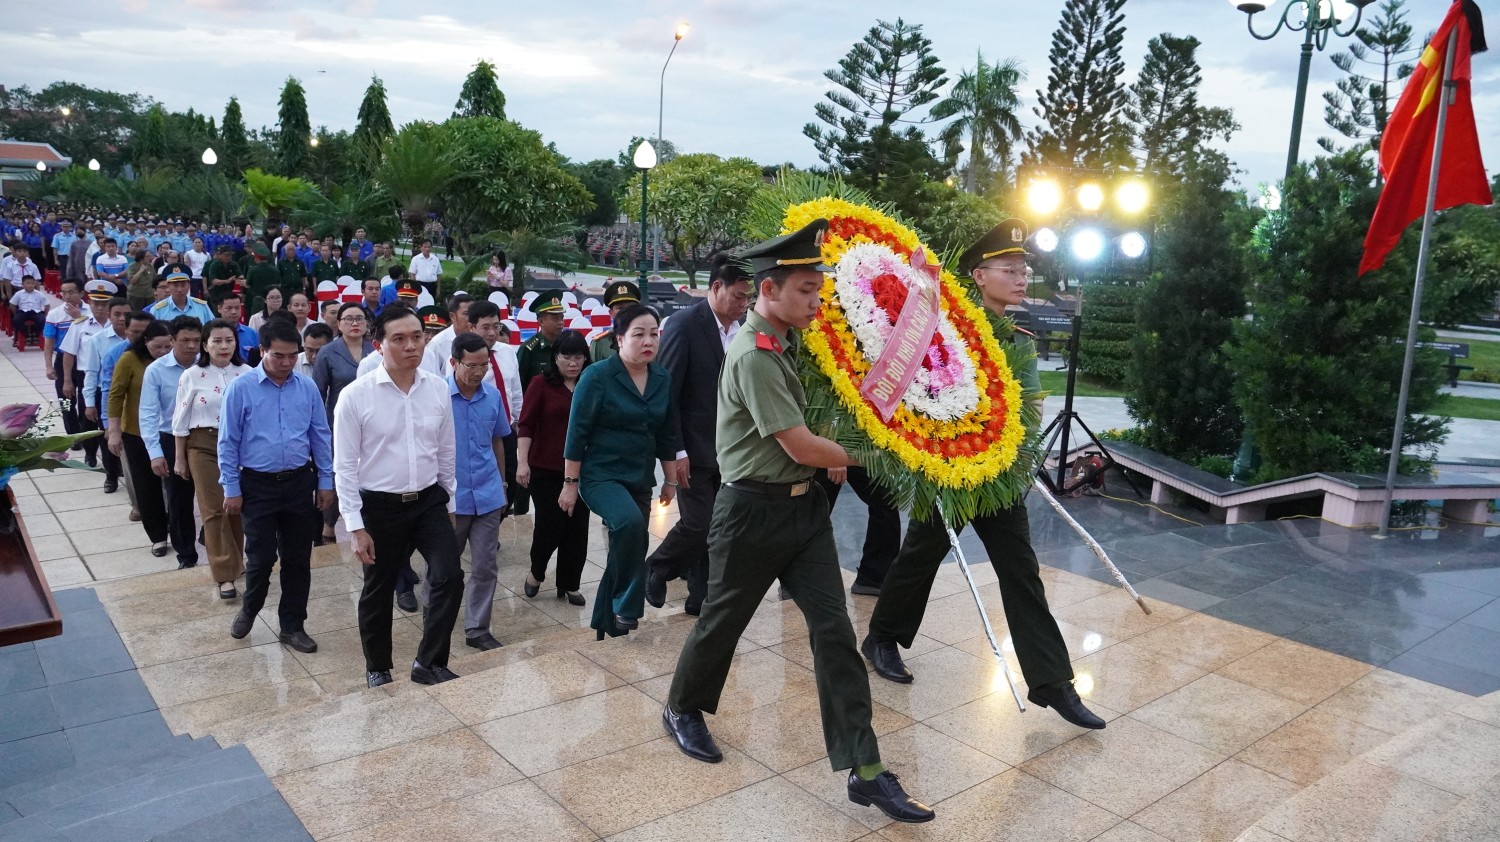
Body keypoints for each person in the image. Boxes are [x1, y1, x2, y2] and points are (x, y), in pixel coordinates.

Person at [662, 219, 934, 824]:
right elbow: (801, 445)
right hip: (751, 511)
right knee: (723, 620)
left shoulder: (785, 343)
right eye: (807, 291)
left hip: (803, 512)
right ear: (768, 291)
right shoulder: (755, 355)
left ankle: (866, 769)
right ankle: (683, 706)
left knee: (835, 633)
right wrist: (872, 456)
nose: (817, 301)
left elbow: (812, 435)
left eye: (819, 290)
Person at [861, 219, 1106, 730]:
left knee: (1021, 572)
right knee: (919, 557)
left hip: (998, 477)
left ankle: (1053, 683)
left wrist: (1006, 452)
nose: (1021, 278)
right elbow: (923, 392)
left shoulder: (1017, 339)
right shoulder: (948, 329)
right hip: (950, 471)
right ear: (979, 274)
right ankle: (882, 639)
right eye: (1010, 270)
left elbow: (1031, 408)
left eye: (1024, 270)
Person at [334, 307, 464, 688]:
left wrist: (448, 501)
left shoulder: (438, 387)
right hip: (379, 505)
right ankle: (378, 667)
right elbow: (344, 467)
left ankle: (429, 661)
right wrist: (356, 527)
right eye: (399, 339)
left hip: (428, 502)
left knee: (449, 576)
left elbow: (445, 450)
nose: (411, 346)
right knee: (379, 588)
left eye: (417, 337)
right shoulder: (355, 397)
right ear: (379, 345)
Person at [561, 304, 683, 636]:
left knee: (625, 548)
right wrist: (570, 483)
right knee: (630, 527)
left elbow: (667, 433)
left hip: (639, 478)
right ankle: (628, 607)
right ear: (619, 338)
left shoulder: (661, 378)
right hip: (600, 476)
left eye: (654, 334)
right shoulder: (597, 376)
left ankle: (606, 624)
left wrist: (670, 480)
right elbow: (577, 434)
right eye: (638, 334)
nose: (648, 341)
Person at [219, 317, 335, 654]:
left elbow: (320, 435)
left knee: (298, 559)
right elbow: (228, 442)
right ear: (261, 351)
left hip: (299, 482)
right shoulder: (241, 388)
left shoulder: (307, 387)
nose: (286, 363)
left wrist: (325, 481)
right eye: (278, 356)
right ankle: (250, 608)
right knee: (260, 558)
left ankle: (293, 625)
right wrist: (231, 488)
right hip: (257, 486)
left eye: (292, 357)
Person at [645, 254, 752, 615]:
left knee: (718, 529)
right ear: (717, 287)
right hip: (692, 447)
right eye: (738, 296)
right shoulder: (685, 324)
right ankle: (658, 567)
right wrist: (675, 452)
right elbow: (668, 394)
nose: (744, 303)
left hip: (732, 449)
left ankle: (699, 597)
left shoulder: (745, 330)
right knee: (698, 523)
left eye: (748, 297)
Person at [174, 319, 251, 599]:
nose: (223, 346)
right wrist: (179, 458)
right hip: (203, 444)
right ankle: (224, 574)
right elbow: (180, 419)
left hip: (240, 446)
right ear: (205, 344)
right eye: (216, 341)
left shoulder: (248, 373)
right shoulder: (192, 375)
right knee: (213, 508)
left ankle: (237, 562)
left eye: (229, 340)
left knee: (236, 506)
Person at [445, 331, 512, 651]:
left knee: (485, 564)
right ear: (454, 362)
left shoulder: (493, 396)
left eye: (484, 365)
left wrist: (501, 482)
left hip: (486, 491)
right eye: (472, 365)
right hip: (450, 497)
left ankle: (477, 629)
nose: (479, 372)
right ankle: (436, 610)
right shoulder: (436, 397)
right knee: (444, 565)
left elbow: (498, 440)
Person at [518, 329, 591, 606]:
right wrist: (522, 462)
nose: (573, 363)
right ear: (555, 357)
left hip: (584, 470)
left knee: (577, 528)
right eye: (566, 356)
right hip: (546, 469)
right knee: (550, 525)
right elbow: (525, 424)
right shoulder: (541, 384)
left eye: (579, 356)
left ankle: (570, 583)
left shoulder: (591, 382)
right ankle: (537, 572)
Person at [136, 316, 204, 568]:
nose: (191, 346)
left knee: (216, 494)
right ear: (172, 340)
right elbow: (149, 413)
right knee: (179, 500)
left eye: (196, 340)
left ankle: (212, 537)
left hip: (206, 436)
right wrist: (155, 452)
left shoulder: (208, 365)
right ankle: (186, 554)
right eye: (184, 340)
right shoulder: (156, 370)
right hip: (170, 439)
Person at [107, 319, 175, 558]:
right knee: (147, 486)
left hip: (171, 432)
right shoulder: (129, 360)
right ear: (145, 342)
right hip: (137, 433)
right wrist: (113, 430)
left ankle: (176, 529)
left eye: (168, 346)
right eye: (158, 347)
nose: (164, 352)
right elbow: (115, 395)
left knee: (177, 485)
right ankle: (157, 536)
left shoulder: (178, 363)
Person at [312, 302, 374, 545]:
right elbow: (319, 392)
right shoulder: (328, 352)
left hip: (371, 422)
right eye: (348, 319)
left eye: (359, 318)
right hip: (337, 424)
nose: (355, 323)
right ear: (338, 324)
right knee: (340, 473)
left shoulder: (375, 351)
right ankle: (329, 526)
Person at [76, 292, 133, 491]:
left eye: (126, 314)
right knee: (109, 435)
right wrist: (89, 402)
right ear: (109, 315)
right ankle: (111, 476)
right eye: (117, 314)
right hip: (106, 394)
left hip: (133, 394)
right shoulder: (98, 340)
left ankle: (128, 471)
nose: (121, 319)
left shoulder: (140, 338)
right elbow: (91, 374)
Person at [43, 278, 86, 442]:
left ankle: (85, 433)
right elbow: (49, 342)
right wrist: (48, 366)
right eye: (64, 292)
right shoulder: (55, 314)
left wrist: (80, 317)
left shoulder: (89, 311)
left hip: (84, 359)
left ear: (81, 293)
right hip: (62, 360)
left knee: (85, 400)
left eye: (71, 292)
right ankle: (73, 436)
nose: (67, 296)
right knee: (66, 400)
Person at [588, 280, 641, 362]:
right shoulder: (600, 343)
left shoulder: (646, 340)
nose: (626, 312)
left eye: (631, 307)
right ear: (611, 313)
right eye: (620, 308)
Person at [149, 268, 214, 324]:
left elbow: (211, 328)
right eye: (175, 285)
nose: (179, 290)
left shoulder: (201, 306)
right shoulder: (158, 310)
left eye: (183, 285)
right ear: (168, 286)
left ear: (189, 286)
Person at [11, 275, 47, 346]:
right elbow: (12, 304)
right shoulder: (19, 293)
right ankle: (26, 334)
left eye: (32, 283)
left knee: (42, 320)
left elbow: (47, 305)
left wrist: (45, 314)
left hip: (36, 312)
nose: (30, 285)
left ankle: (35, 334)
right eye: (28, 283)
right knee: (16, 319)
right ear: (22, 284)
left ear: (35, 284)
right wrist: (16, 313)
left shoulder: (39, 294)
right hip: (23, 311)